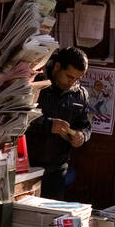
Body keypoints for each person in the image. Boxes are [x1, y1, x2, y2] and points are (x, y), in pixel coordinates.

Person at [26, 45, 92, 198]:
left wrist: (81, 136)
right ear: (57, 67)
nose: (73, 81)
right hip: (28, 167)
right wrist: (48, 125)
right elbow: (19, 118)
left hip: (57, 170)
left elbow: (85, 125)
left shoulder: (80, 95)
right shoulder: (36, 84)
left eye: (77, 78)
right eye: (69, 76)